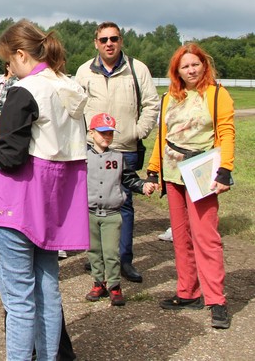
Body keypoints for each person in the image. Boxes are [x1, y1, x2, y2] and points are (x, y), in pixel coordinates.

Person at [0, 19, 89, 361]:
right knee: (48, 291)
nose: (8, 69)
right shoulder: (68, 87)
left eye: (8, 62)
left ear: (21, 54)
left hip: (17, 202)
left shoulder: (24, 90)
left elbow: (10, 158)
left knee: (19, 299)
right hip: (53, 201)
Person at [146, 43, 234, 330]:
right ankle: (188, 291)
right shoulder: (170, 97)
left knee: (205, 236)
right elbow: (163, 136)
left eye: (195, 64)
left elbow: (226, 133)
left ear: (203, 65)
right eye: (185, 66)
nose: (191, 70)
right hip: (173, 175)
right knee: (181, 236)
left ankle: (216, 300)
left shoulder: (217, 94)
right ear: (177, 71)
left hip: (202, 174)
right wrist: (153, 169)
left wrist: (225, 170)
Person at [75, 21, 160, 283]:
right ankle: (98, 259)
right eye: (103, 40)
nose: (109, 43)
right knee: (93, 204)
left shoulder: (137, 69)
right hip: (92, 150)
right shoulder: (84, 72)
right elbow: (75, 108)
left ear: (121, 41)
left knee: (123, 205)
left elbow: (151, 103)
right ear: (96, 43)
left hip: (125, 148)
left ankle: (124, 260)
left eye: (114, 38)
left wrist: (138, 131)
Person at [85, 112, 157, 306]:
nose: (107, 137)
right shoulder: (83, 158)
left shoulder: (118, 157)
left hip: (111, 214)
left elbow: (129, 179)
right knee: (94, 251)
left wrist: (143, 186)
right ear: (91, 133)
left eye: (110, 133)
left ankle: (115, 285)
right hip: (90, 213)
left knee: (111, 252)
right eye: (102, 133)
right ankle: (98, 282)